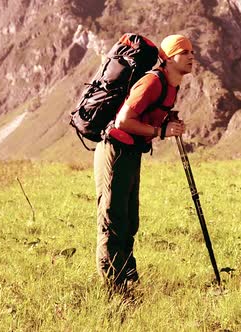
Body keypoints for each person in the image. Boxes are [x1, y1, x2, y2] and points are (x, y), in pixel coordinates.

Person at [94, 34, 195, 290]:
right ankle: (114, 289)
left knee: (129, 219)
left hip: (131, 151)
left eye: (191, 51)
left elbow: (148, 116)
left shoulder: (172, 86)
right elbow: (123, 121)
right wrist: (161, 132)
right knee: (114, 219)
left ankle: (128, 278)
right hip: (114, 151)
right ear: (169, 58)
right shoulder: (153, 82)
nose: (191, 56)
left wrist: (167, 123)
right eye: (184, 52)